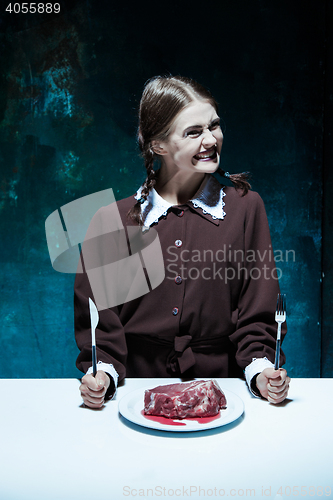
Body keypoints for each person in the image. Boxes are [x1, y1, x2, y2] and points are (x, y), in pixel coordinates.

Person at [75, 75, 290, 409]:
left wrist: (262, 371)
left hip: (225, 393)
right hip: (133, 394)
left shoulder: (247, 208)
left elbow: (257, 310)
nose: (211, 140)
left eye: (214, 126)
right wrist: (100, 376)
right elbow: (99, 325)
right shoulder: (111, 220)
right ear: (158, 145)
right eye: (194, 132)